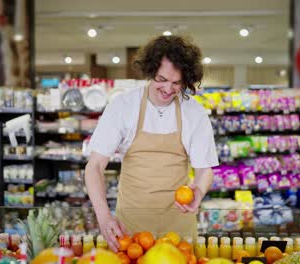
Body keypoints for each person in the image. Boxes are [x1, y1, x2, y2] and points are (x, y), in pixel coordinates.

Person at [84, 35, 218, 252]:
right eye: (162, 79)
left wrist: (199, 192)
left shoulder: (194, 112)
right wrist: (104, 216)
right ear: (150, 71)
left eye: (176, 83)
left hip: (178, 226)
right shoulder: (123, 106)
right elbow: (94, 166)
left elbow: (204, 169)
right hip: (131, 227)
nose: (168, 88)